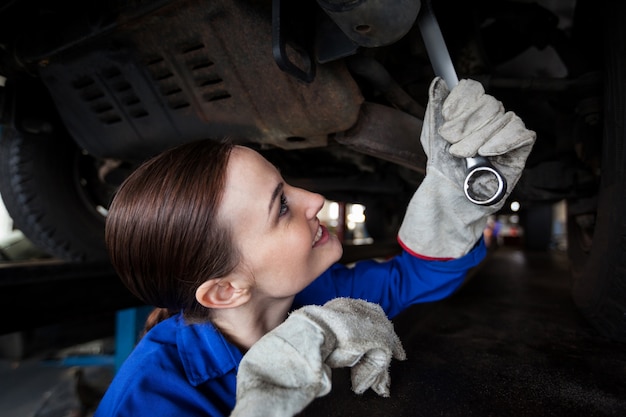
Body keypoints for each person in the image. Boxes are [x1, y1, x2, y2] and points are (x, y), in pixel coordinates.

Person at [94, 77, 535, 417]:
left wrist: (453, 200)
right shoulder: (148, 396)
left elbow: (416, 278)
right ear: (225, 290)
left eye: (285, 183)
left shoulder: (318, 301)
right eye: (282, 206)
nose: (316, 199)